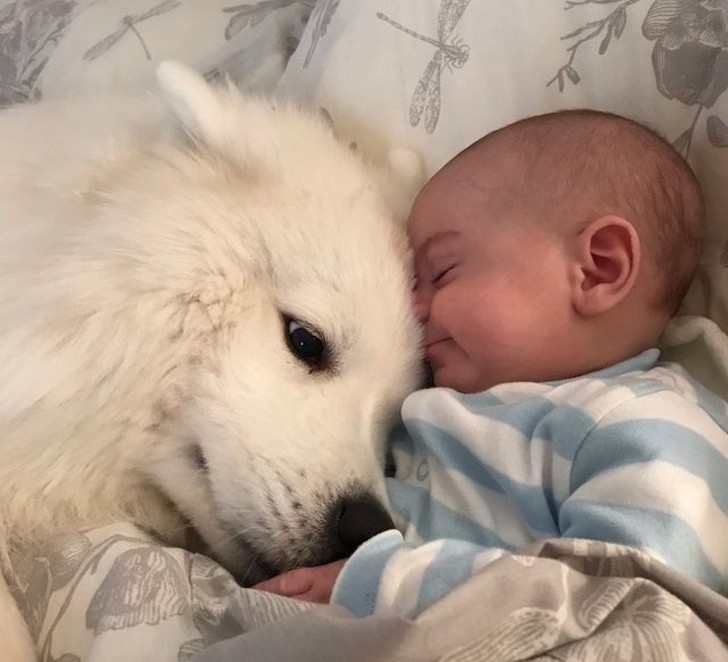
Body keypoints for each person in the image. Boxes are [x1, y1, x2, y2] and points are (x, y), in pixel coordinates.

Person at [254, 109, 728, 617]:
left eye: (442, 271)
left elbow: (631, 601)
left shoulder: (641, 423)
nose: (413, 308)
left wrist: (379, 582)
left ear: (597, 270)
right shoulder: (432, 414)